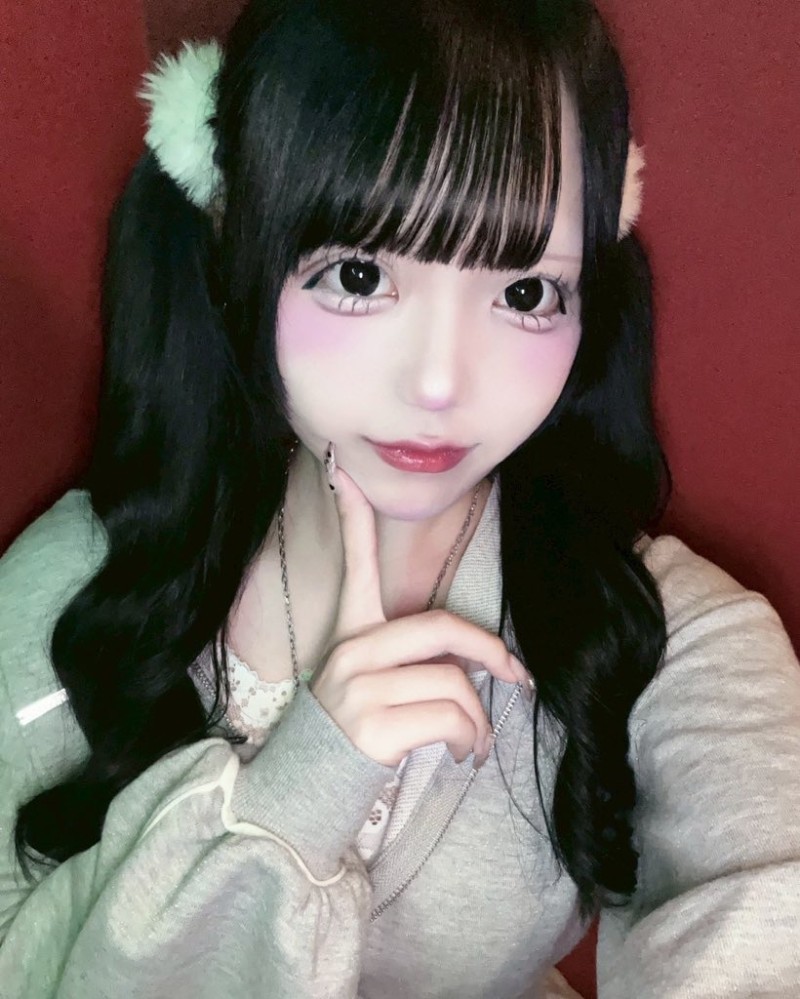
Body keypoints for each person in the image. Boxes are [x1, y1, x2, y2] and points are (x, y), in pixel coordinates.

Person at [1, 0, 798, 995]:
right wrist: (299, 793)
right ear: (237, 248)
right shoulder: (80, 586)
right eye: (358, 273)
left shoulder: (658, 633)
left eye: (524, 293)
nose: (439, 382)